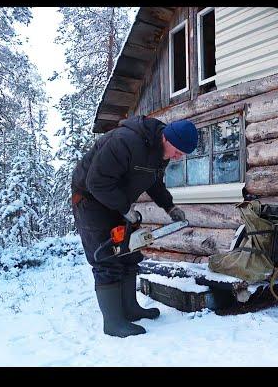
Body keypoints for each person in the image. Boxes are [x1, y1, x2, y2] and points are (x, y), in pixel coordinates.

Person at [71, 115, 198, 337]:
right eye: (178, 151)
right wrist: (124, 208)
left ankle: (130, 309)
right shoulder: (124, 141)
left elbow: (154, 183)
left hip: (118, 202)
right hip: (91, 201)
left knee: (129, 253)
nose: (178, 158)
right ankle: (113, 323)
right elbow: (96, 182)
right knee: (107, 258)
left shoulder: (161, 153)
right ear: (167, 138)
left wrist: (169, 207)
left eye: (183, 155)